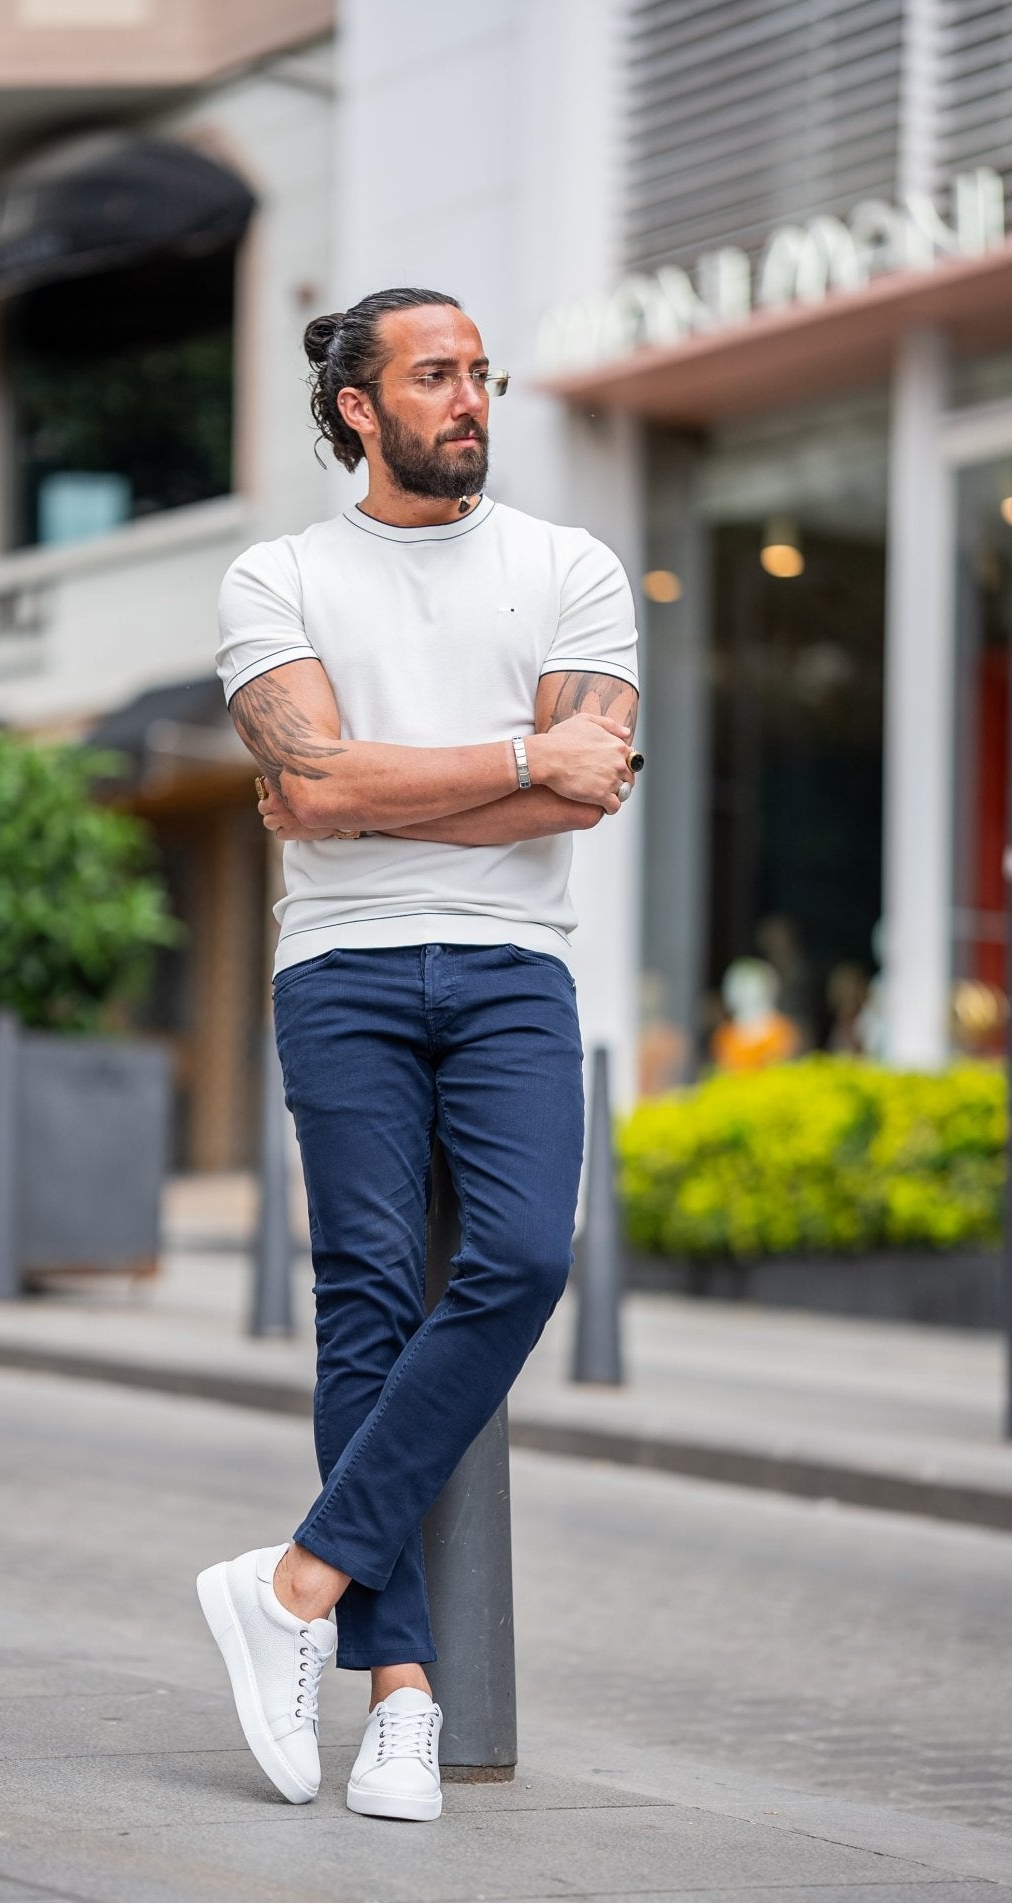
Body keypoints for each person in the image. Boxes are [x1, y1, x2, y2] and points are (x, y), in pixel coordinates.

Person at [196, 286, 639, 1824]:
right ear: (354, 410)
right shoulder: (279, 576)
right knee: (369, 1296)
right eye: (436, 377)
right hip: (343, 971)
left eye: (481, 375)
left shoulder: (570, 568)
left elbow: (596, 794)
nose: (472, 401)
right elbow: (313, 791)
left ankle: (296, 1582)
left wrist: (372, 788)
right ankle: (398, 1693)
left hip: (517, 966)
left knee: (520, 1257)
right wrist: (521, 756)